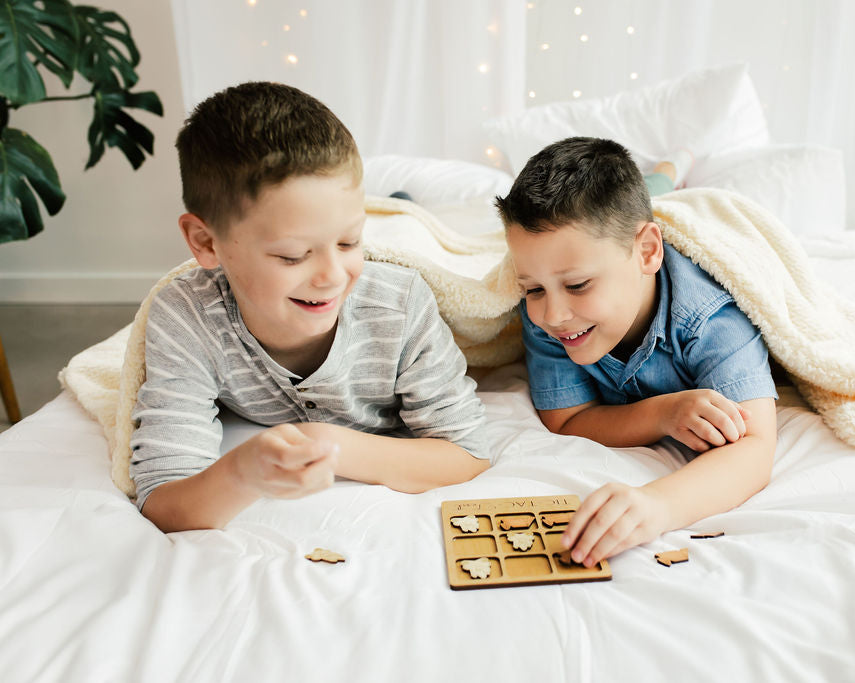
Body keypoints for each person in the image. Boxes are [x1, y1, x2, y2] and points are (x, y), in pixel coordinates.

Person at [130, 82, 489, 532]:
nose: (333, 276)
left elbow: (468, 453)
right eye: (292, 255)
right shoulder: (188, 315)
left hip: (399, 248)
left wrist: (324, 443)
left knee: (414, 219)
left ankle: (395, 210)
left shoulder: (399, 304)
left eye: (349, 241)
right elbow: (163, 499)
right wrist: (241, 472)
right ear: (206, 243)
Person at [495, 137, 777, 567]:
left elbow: (755, 447)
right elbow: (567, 419)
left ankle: (674, 163)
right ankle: (665, 170)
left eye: (578, 285)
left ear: (647, 251)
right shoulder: (547, 314)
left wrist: (657, 507)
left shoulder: (710, 318)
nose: (553, 315)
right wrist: (663, 413)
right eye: (533, 289)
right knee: (649, 190)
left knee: (656, 193)